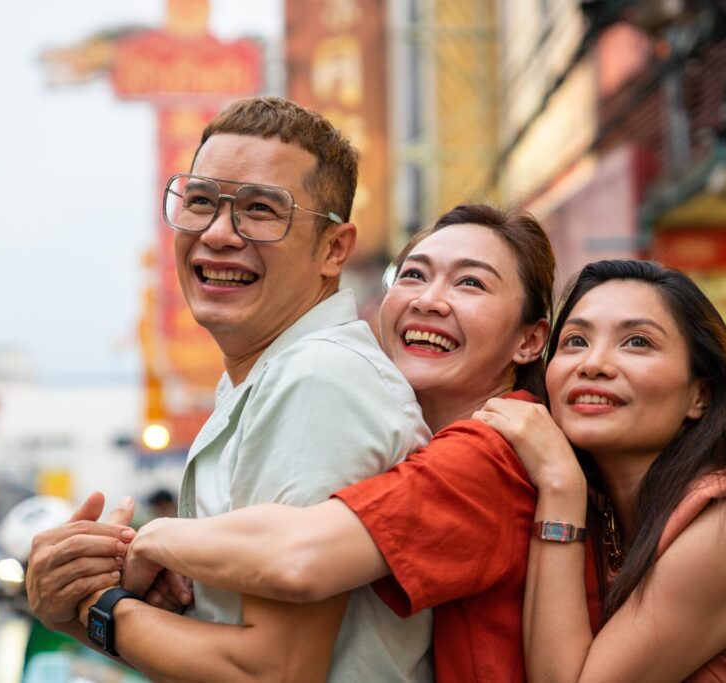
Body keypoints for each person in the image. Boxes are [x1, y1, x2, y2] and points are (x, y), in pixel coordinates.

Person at [26, 96, 434, 682]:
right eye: (199, 203)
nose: (218, 234)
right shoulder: (264, 375)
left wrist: (91, 608)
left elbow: (274, 670)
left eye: (261, 210)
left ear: (334, 249)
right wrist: (78, 601)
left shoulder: (316, 378)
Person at [112, 203, 578, 683]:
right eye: (413, 275)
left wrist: (151, 541)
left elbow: (299, 557)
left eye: (471, 283)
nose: (428, 301)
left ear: (530, 340)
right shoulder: (446, 443)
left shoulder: (484, 454)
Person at [474, 259, 726, 682]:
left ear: (700, 395)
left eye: (636, 342)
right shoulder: (606, 513)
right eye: (575, 340)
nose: (593, 364)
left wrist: (560, 484)